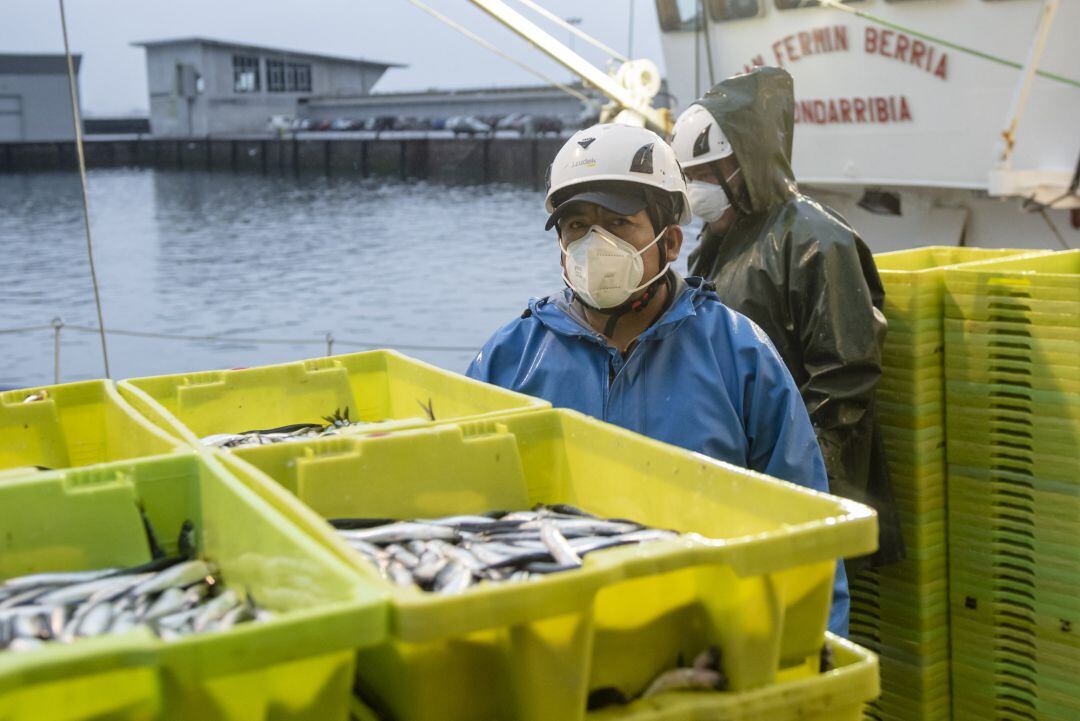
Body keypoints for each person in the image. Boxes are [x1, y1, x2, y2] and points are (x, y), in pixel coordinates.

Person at [466, 122, 851, 636]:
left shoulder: (740, 356)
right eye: (576, 226)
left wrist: (816, 663)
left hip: (709, 639)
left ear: (670, 242)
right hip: (557, 642)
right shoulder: (508, 360)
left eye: (618, 223)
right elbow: (467, 522)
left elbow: (808, 530)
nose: (593, 243)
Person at [670, 67, 903, 570]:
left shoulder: (818, 240)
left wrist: (800, 469)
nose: (698, 189)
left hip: (798, 473)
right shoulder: (712, 245)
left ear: (746, 164)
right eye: (691, 177)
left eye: (709, 174)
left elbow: (846, 373)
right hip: (735, 464)